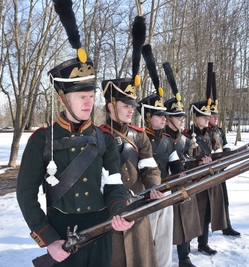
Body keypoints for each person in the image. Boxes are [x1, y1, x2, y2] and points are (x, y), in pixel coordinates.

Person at [17, 3, 133, 266]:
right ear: (62, 99)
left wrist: (120, 210)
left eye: (91, 96)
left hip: (101, 232)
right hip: (61, 236)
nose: (88, 103)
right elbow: (25, 195)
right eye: (81, 96)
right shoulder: (41, 140)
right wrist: (48, 239)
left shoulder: (104, 139)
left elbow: (114, 184)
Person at [99, 15, 162, 267]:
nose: (131, 110)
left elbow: (149, 167)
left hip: (137, 204)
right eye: (126, 105)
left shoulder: (139, 134)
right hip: (108, 211)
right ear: (110, 105)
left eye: (133, 106)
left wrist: (154, 186)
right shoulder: (97, 135)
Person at [139, 44, 185, 267]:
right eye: (159, 116)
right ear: (148, 117)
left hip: (165, 193)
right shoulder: (139, 139)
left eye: (165, 116)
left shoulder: (167, 140)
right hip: (145, 196)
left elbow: (177, 166)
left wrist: (184, 182)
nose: (164, 119)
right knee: (147, 242)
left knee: (165, 240)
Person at [183, 63, 227, 256]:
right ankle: (186, 247)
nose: (207, 119)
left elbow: (219, 150)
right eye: (203, 117)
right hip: (195, 179)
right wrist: (197, 163)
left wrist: (215, 159)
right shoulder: (186, 135)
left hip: (210, 178)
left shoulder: (213, 134)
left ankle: (203, 243)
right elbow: (184, 160)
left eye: (208, 117)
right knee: (193, 214)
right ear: (196, 117)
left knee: (208, 213)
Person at [163, 62, 201, 267]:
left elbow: (189, 158)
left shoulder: (185, 139)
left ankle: (184, 257)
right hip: (168, 186)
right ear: (168, 118)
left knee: (185, 220)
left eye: (182, 117)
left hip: (184, 183)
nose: (181, 120)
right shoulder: (163, 138)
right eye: (178, 117)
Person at [208, 104, 240, 237]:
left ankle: (227, 225)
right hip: (208, 171)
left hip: (220, 170)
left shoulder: (220, 131)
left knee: (224, 199)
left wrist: (223, 160)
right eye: (212, 116)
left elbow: (226, 148)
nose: (216, 118)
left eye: (216, 116)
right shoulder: (204, 132)